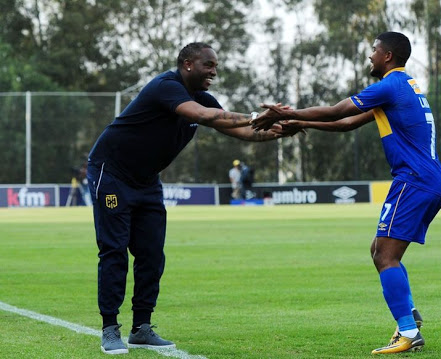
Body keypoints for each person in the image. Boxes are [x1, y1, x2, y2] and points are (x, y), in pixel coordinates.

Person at [87, 42, 300, 355]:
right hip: (112, 174)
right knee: (115, 251)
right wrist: (259, 114)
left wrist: (281, 131)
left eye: (215, 66)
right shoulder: (166, 87)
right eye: (208, 65)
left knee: (151, 255)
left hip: (146, 182)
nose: (214, 71)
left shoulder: (202, 97)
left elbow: (241, 132)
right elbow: (204, 115)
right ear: (187, 64)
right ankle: (109, 329)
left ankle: (142, 328)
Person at [252, 31, 441, 354]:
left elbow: (336, 110)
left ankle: (409, 332)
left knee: (385, 255)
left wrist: (286, 113)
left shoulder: (390, 85)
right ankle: (408, 315)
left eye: (374, 50)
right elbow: (346, 124)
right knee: (380, 251)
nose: (369, 56)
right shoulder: (403, 88)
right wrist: (304, 125)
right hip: (427, 179)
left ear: (387, 56)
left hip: (413, 180)